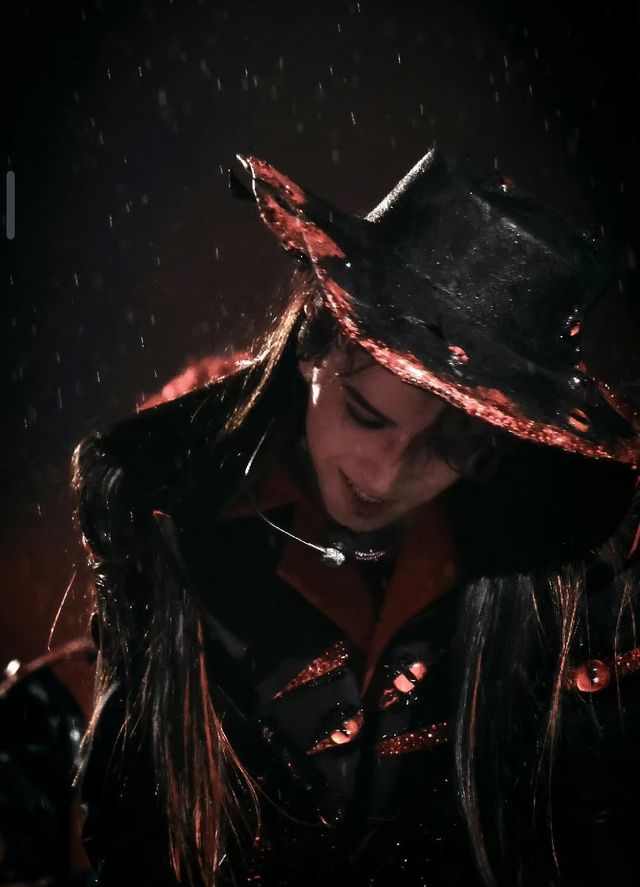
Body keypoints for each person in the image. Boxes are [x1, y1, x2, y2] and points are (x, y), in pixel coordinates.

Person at [72, 148, 640, 886]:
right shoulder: (166, 520)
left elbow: (595, 817)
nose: (383, 475)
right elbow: (135, 826)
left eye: (444, 449)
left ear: (502, 439)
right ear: (315, 338)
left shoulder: (566, 562)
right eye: (367, 416)